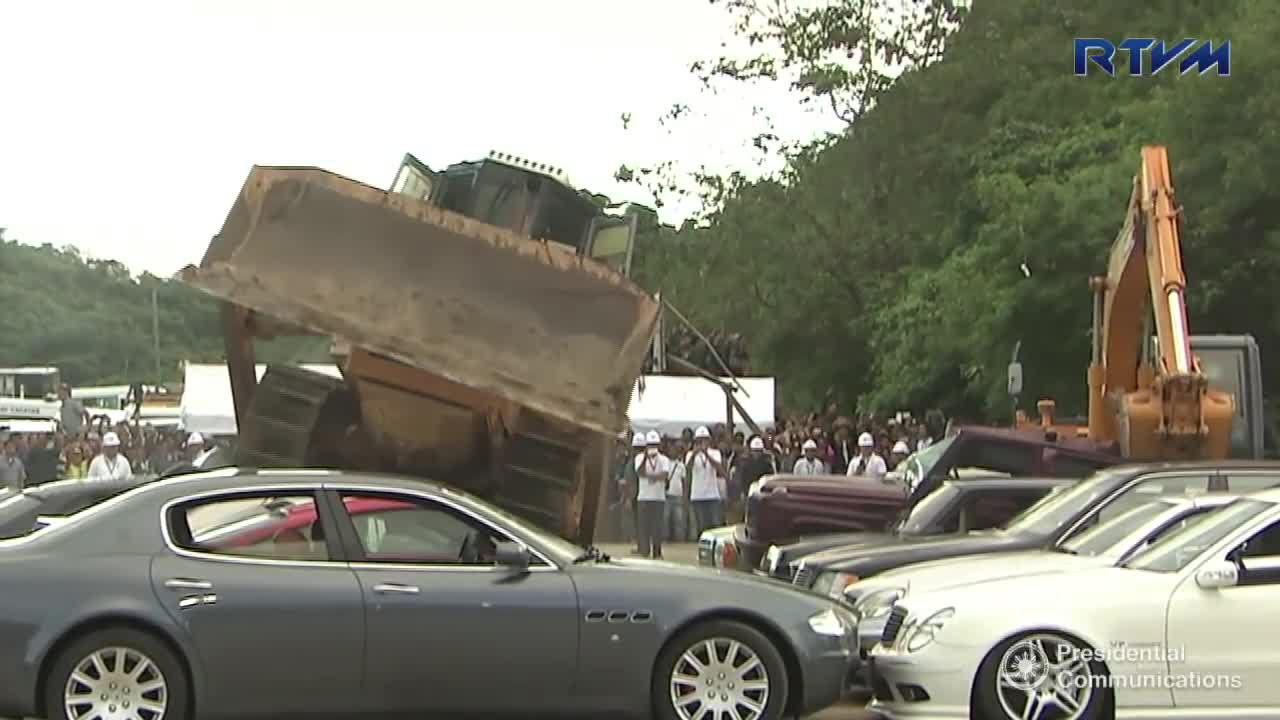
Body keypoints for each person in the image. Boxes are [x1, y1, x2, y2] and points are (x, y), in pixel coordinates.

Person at [634, 431, 670, 559]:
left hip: (658, 497)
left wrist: (652, 477)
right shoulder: (639, 458)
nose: (652, 447)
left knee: (657, 527)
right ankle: (644, 551)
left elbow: (665, 475)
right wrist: (645, 457)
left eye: (655, 444)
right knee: (644, 526)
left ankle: (657, 552)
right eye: (650, 445)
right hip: (643, 497)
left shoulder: (664, 459)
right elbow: (639, 472)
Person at [686, 425, 727, 535]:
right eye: (700, 440)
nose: (702, 442)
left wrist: (706, 454)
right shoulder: (690, 454)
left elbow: (719, 468)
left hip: (712, 494)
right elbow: (688, 468)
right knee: (701, 526)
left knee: (715, 525)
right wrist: (695, 453)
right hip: (697, 496)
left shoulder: (715, 452)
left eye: (705, 440)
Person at [664, 440, 687, 542]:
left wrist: (685, 496)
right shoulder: (664, 463)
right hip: (666, 495)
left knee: (679, 520)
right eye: (670, 450)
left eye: (674, 450)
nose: (672, 452)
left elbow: (684, 481)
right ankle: (665, 538)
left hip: (678, 495)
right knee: (665, 519)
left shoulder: (681, 465)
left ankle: (679, 540)